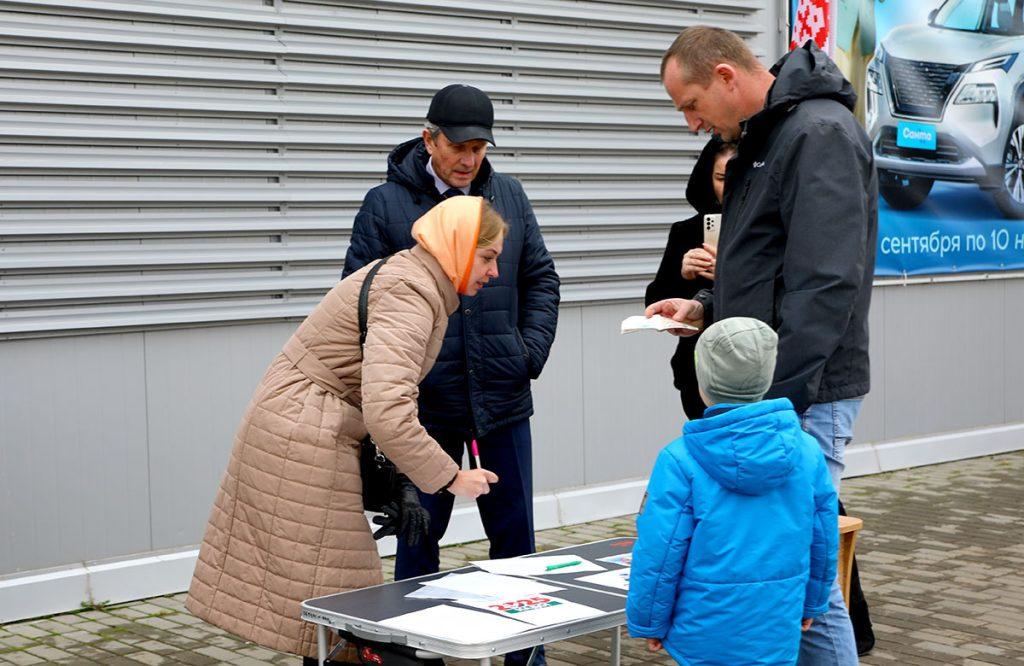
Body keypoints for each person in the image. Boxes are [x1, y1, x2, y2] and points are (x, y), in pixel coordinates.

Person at [186, 197, 506, 662]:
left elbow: (377, 396)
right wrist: (451, 478)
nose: (494, 273)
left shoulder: (418, 281)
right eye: (489, 257)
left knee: (336, 602)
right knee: (342, 603)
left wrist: (399, 479)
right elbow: (388, 408)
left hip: (309, 424)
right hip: (302, 431)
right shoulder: (411, 292)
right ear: (458, 246)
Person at [647, 26, 877, 665]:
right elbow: (760, 268)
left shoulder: (816, 133)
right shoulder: (764, 137)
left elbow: (825, 284)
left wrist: (770, 402)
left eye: (690, 105)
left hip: (802, 389)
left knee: (808, 576)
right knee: (787, 567)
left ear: (725, 76)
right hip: (773, 388)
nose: (691, 125)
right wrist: (704, 308)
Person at [343, 83, 560, 666]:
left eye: (480, 147)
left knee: (515, 542)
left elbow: (541, 278)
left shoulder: (508, 197)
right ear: (429, 139)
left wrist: (526, 352)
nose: (469, 159)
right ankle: (414, 657)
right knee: (418, 539)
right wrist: (404, 380)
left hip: (502, 400)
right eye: (459, 145)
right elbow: (359, 300)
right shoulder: (385, 206)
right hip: (425, 410)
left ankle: (526, 658)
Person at [626, 317, 838, 665]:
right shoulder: (807, 451)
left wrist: (649, 621)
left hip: (703, 629)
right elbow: (823, 538)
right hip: (776, 624)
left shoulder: (680, 459)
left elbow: (659, 552)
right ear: (767, 376)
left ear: (702, 379)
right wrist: (813, 601)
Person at [645, 137, 735, 419]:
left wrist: (731, 272)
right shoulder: (686, 231)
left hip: (747, 368)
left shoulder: (766, 230)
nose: (728, 187)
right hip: (696, 369)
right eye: (720, 178)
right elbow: (656, 303)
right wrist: (684, 275)